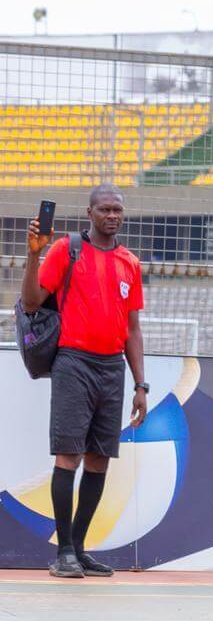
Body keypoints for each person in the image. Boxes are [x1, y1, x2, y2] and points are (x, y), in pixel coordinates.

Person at [21, 184, 147, 579]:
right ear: (89, 213)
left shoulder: (130, 262)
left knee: (98, 459)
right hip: (73, 362)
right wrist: (33, 252)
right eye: (105, 209)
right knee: (69, 456)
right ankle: (63, 552)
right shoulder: (66, 249)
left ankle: (77, 547)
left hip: (112, 368)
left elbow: (133, 329)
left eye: (118, 210)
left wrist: (141, 386)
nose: (113, 215)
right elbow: (30, 303)